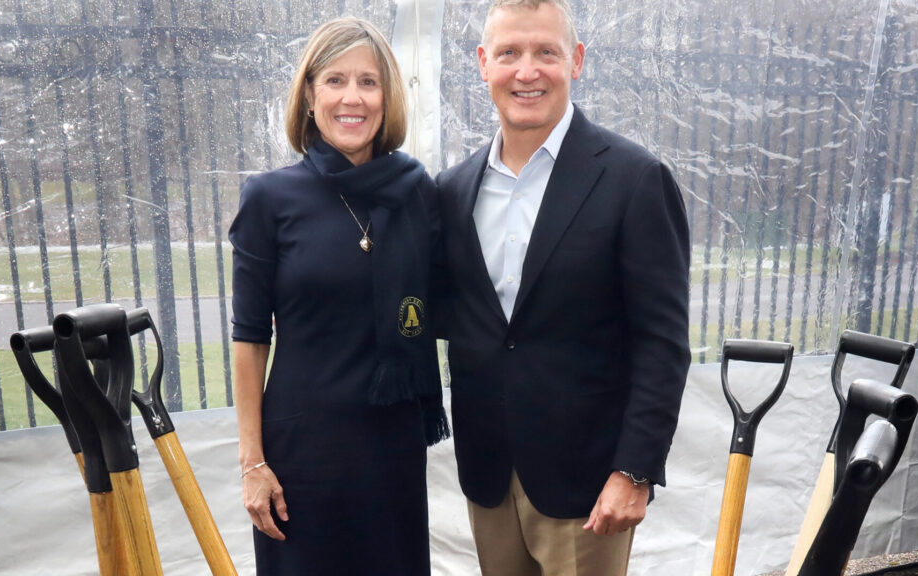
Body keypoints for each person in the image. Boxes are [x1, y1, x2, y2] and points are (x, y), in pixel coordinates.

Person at [434, 1, 691, 574]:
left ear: (575, 60)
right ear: (483, 63)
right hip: (489, 478)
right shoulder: (452, 191)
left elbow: (663, 344)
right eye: (509, 54)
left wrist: (636, 471)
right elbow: (435, 312)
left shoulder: (635, 180)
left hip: (589, 487)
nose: (527, 71)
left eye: (545, 52)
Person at [229, 17, 448, 575]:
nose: (353, 97)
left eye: (368, 82)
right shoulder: (269, 199)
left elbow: (448, 301)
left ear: (387, 96)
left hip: (391, 444)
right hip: (303, 449)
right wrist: (252, 462)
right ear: (309, 94)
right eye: (335, 80)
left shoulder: (417, 191)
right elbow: (250, 338)